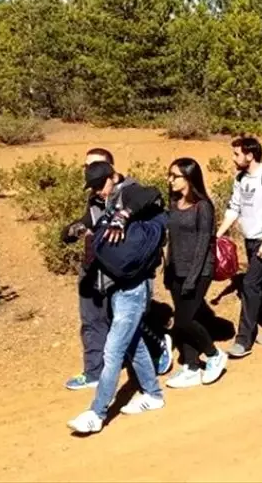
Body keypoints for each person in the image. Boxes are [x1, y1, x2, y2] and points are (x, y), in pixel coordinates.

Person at [68, 163, 169, 434]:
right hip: (112, 286)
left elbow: (150, 193)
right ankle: (153, 394)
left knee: (112, 350)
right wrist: (74, 230)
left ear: (114, 176)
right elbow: (80, 225)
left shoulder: (129, 192)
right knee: (131, 344)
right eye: (94, 187)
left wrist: (122, 215)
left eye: (103, 184)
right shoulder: (98, 203)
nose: (99, 191)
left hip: (134, 287)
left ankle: (96, 413)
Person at [216, 136, 262, 359]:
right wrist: (218, 234)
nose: (234, 158)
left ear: (250, 155)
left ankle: (243, 340)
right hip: (251, 240)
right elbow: (234, 207)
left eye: (237, 154)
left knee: (249, 284)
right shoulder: (240, 178)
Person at [163, 158, 228, 388]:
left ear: (189, 178)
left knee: (184, 319)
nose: (170, 180)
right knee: (183, 321)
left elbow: (203, 246)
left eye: (175, 176)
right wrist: (168, 270)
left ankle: (213, 355)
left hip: (199, 272)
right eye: (169, 175)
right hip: (177, 272)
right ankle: (190, 366)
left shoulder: (203, 207)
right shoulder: (174, 203)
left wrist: (192, 279)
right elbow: (171, 240)